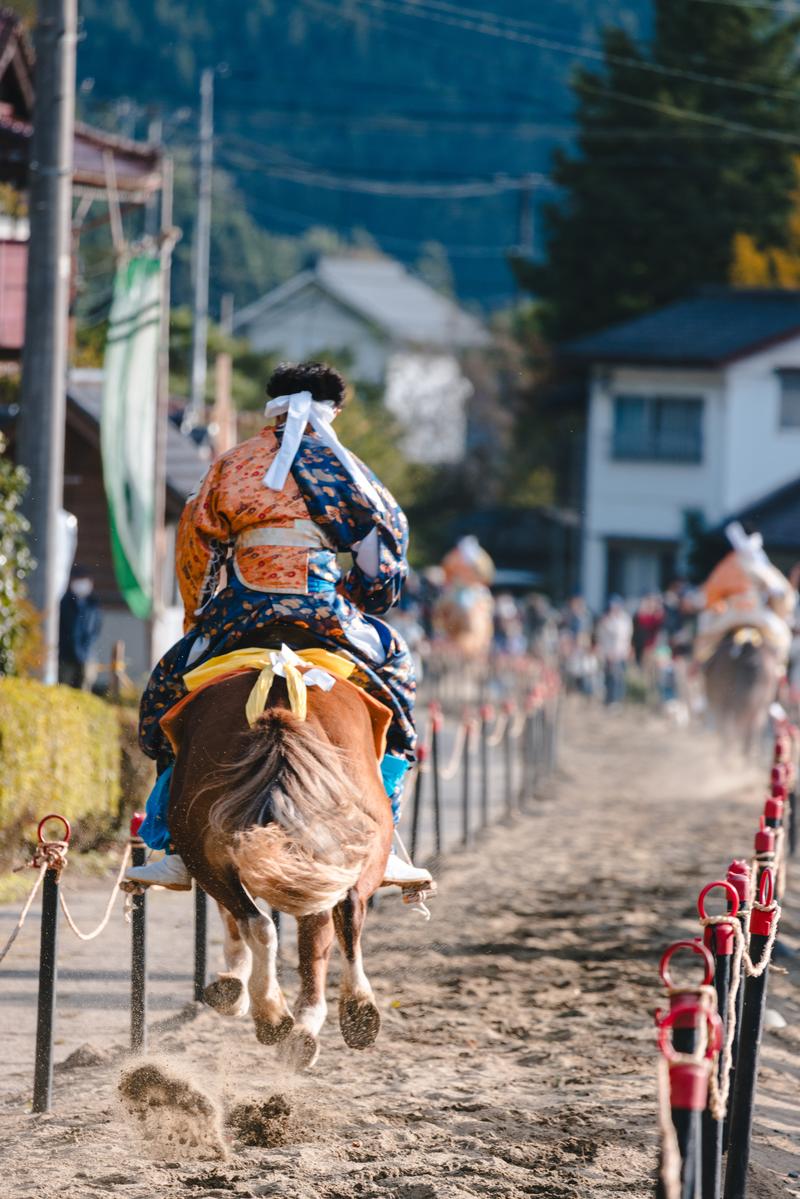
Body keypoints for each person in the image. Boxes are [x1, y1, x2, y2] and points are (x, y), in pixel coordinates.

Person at [127, 362, 431, 892]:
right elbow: (382, 558)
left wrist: (200, 614)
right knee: (399, 680)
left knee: (165, 696)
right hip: (325, 616)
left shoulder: (231, 466)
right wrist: (362, 598)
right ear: (334, 410)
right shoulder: (350, 471)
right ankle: (389, 837)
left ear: (272, 405)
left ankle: (172, 842)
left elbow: (196, 550)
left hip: (241, 613)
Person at [695, 522, 796, 667]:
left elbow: (710, 595)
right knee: (782, 639)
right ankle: (779, 674)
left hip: (730, 616)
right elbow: (784, 595)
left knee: (705, 642)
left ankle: (698, 675)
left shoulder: (729, 564)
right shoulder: (760, 564)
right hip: (758, 615)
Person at [58, 566, 101, 689]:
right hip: (66, 655)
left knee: (84, 688)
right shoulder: (64, 602)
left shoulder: (94, 604)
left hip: (87, 655)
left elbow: (95, 629)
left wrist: (85, 648)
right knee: (64, 688)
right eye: (79, 580)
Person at [595, 596, 632, 705]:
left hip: (620, 653)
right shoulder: (605, 619)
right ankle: (609, 700)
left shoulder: (625, 619)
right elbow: (601, 636)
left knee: (619, 678)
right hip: (608, 654)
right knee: (609, 678)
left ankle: (618, 700)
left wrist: (621, 652)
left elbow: (624, 637)